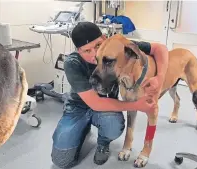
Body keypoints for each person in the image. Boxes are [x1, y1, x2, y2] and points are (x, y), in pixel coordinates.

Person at [51, 21, 169, 168]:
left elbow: (160, 48)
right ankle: (82, 129)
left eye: (98, 46)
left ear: (105, 39)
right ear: (78, 51)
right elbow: (96, 103)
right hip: (78, 109)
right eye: (87, 51)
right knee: (61, 161)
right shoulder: (72, 63)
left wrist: (160, 78)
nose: (94, 55)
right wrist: (137, 105)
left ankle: (103, 141)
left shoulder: (120, 47)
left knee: (114, 125)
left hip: (107, 110)